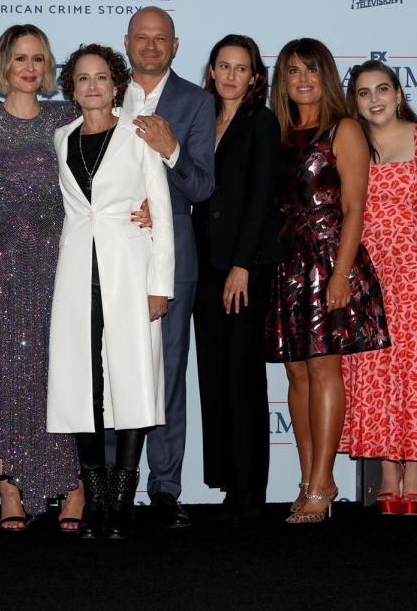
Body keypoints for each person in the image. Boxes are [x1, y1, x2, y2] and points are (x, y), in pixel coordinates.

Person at [0, 24, 81, 531]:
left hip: (58, 263)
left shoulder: (67, 116)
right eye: (19, 58)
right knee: (0, 378)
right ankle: (10, 489)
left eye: (37, 58)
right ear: (4, 64)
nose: (29, 67)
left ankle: (71, 487)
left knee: (57, 375)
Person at [47, 43, 174, 540]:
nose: (93, 86)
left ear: (117, 84)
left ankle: (122, 502)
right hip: (77, 274)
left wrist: (159, 284)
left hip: (129, 272)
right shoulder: (61, 138)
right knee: (82, 384)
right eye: (83, 79)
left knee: (132, 380)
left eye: (102, 77)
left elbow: (160, 211)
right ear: (72, 89)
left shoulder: (139, 134)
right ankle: (95, 499)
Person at [266, 38, 390, 523]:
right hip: (286, 264)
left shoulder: (345, 129)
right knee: (295, 372)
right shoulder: (275, 132)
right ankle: (308, 479)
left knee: (323, 370)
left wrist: (341, 274)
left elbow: (355, 208)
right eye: (293, 71)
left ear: (327, 76)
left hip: (329, 259)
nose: (302, 80)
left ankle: (323, 484)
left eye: (311, 71)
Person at [339, 60, 417, 515]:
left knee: (416, 368)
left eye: (383, 89)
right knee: (376, 371)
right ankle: (388, 469)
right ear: (355, 101)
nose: (375, 99)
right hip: (369, 275)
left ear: (397, 93)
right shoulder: (352, 143)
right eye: (364, 92)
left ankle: (415, 469)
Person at [122, 6, 214, 529]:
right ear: (128, 41)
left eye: (161, 39)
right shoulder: (104, 92)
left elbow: (202, 187)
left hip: (173, 258)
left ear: (175, 46)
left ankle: (164, 489)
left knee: (168, 375)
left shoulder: (196, 103)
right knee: (111, 370)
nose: (151, 46)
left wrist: (171, 149)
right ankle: (111, 484)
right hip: (109, 255)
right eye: (142, 37)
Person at [192, 34, 280, 527]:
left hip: (244, 267)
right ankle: (228, 480)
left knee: (243, 377)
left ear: (254, 77)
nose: (230, 75)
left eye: (240, 68)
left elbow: (261, 195)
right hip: (205, 263)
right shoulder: (204, 119)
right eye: (222, 66)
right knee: (214, 374)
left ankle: (251, 488)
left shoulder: (260, 122)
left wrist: (243, 265)